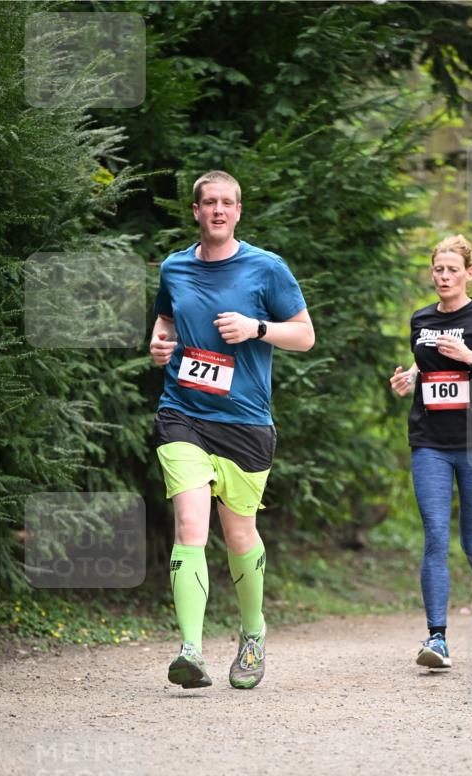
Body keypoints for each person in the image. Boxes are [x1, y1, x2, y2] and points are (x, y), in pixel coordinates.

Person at [150, 170, 314, 691]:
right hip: (183, 413)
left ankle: (252, 634)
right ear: (195, 211)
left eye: (227, 203)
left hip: (245, 422)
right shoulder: (174, 268)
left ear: (238, 212)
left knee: (239, 534)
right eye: (209, 203)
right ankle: (191, 650)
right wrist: (159, 344)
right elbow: (166, 324)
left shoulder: (267, 269)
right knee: (190, 526)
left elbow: (306, 336)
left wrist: (257, 328)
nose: (218, 210)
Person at [390, 235, 472, 670]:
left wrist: (470, 358)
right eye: (438, 270)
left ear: (469, 273)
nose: (443, 277)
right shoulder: (420, 318)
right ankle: (437, 637)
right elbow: (425, 365)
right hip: (429, 442)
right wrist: (408, 377)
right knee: (435, 538)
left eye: (452, 270)